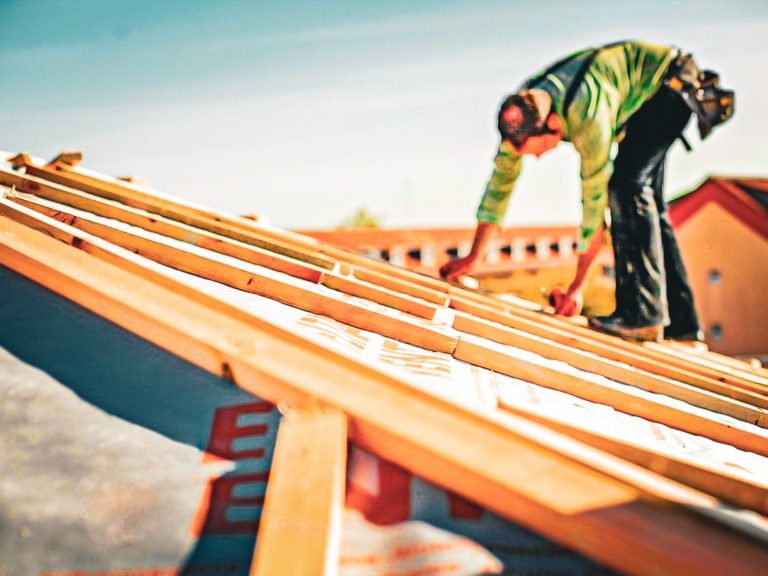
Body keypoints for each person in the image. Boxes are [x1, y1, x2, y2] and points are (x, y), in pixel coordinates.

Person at [440, 40, 732, 343]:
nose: (537, 158)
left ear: (553, 125)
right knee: (648, 205)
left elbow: (594, 208)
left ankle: (641, 315)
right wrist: (474, 256)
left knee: (627, 188)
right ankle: (682, 326)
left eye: (537, 151)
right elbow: (498, 190)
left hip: (671, 88)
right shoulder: (522, 115)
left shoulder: (587, 114)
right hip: (651, 92)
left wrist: (577, 287)